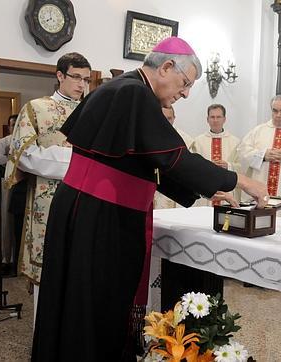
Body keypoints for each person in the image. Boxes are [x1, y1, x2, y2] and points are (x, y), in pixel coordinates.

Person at [31, 37, 268, 361]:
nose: (184, 94)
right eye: (185, 84)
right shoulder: (133, 92)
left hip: (88, 210)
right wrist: (240, 179)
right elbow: (176, 158)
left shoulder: (123, 88)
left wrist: (208, 188)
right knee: (95, 307)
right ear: (167, 67)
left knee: (77, 305)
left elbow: (146, 163)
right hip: (100, 217)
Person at [3, 52, 91, 318]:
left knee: (80, 273)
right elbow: (25, 156)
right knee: (48, 272)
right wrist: (76, 164)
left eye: (86, 79)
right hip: (48, 201)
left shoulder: (92, 111)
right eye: (76, 77)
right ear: (60, 75)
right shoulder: (36, 108)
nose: (81, 85)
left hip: (85, 200)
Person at [191, 104, 241, 206]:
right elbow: (193, 166)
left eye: (218, 117)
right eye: (212, 117)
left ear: (224, 119)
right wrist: (207, 165)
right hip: (206, 190)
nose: (215, 120)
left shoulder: (235, 142)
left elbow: (242, 167)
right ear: (207, 119)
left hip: (227, 189)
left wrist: (228, 165)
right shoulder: (198, 141)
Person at [0, 115, 18, 276]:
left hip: (24, 185)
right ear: (9, 127)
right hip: (7, 184)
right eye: (12, 124)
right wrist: (16, 158)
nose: (15, 127)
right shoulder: (3, 142)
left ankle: (17, 259)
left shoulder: (28, 139)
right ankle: (6, 259)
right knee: (6, 221)